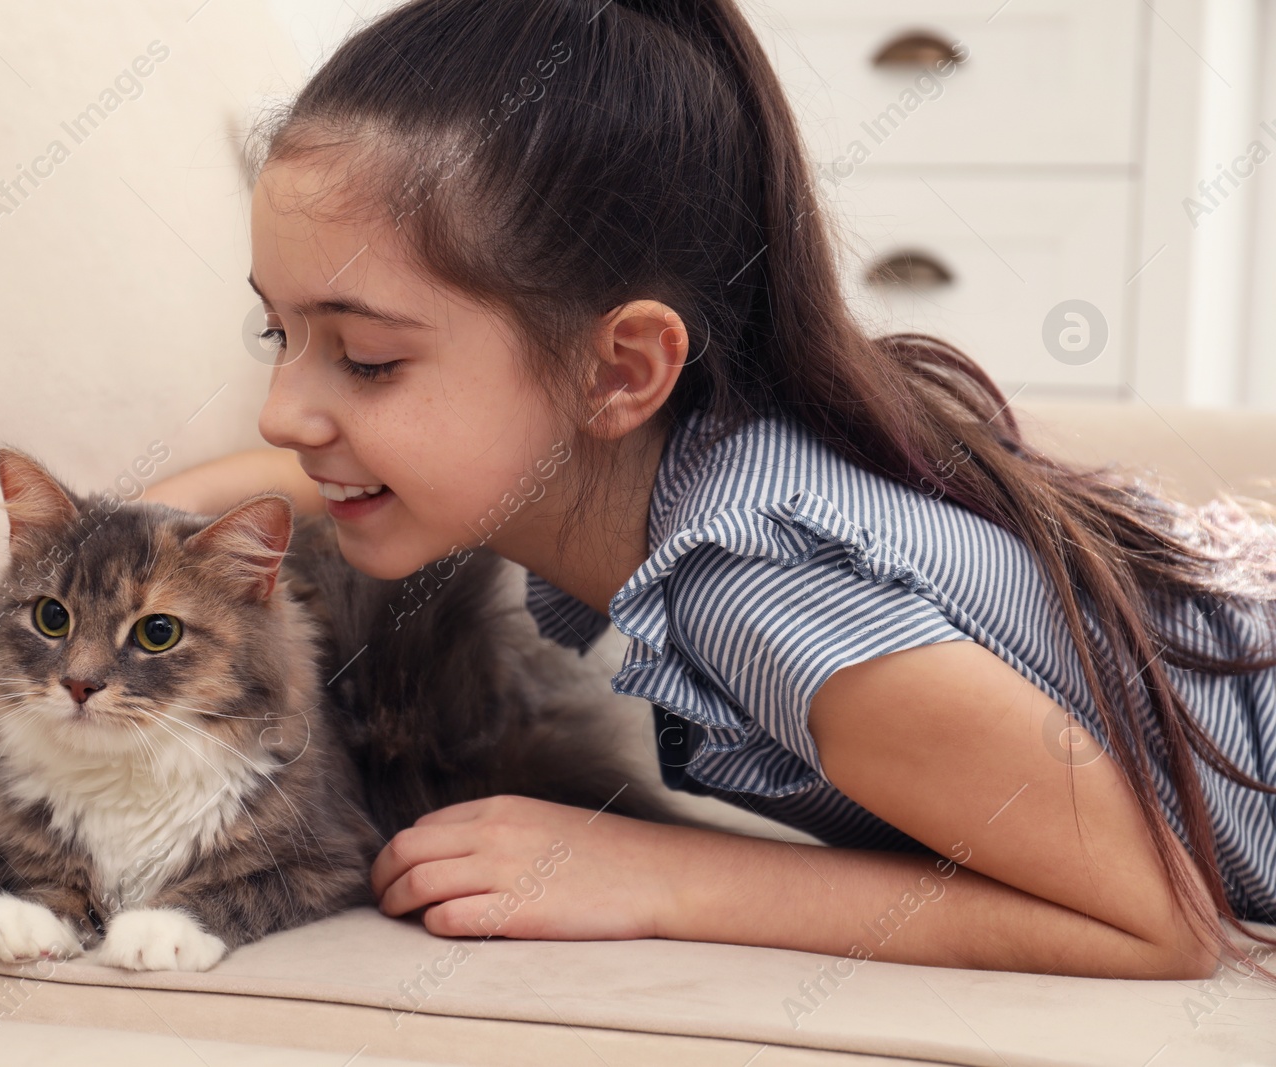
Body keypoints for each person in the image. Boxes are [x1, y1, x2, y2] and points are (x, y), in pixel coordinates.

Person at [143, 0, 1276, 981]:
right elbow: (331, 464)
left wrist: (665, 873)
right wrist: (143, 536)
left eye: (368, 360)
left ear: (621, 370)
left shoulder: (759, 585)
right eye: (273, 331)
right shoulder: (685, 452)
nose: (282, 411)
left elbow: (1162, 921)